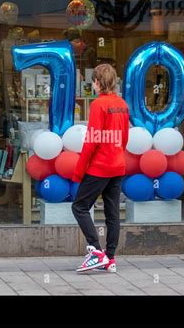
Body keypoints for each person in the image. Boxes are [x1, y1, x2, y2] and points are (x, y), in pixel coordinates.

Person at [71, 64, 129, 273]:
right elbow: (124, 138)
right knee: (112, 213)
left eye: (93, 81)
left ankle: (96, 252)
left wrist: (79, 170)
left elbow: (91, 141)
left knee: (79, 206)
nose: (93, 84)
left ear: (97, 82)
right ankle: (110, 258)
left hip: (100, 167)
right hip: (117, 165)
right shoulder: (122, 104)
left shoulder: (98, 105)